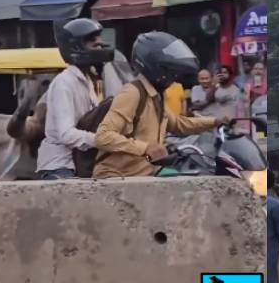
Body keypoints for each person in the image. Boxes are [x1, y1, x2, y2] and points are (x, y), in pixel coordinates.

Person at [93, 32, 230, 179]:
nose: (174, 78)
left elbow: (178, 123)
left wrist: (215, 121)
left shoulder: (157, 96)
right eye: (170, 71)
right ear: (156, 68)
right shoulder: (132, 93)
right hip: (117, 178)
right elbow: (103, 136)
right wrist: (145, 148)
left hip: (144, 176)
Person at [36, 18, 115, 180]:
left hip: (79, 161)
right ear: (77, 47)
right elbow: (66, 134)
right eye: (95, 45)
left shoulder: (88, 82)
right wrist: (103, 140)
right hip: (60, 166)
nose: (100, 48)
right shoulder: (64, 83)